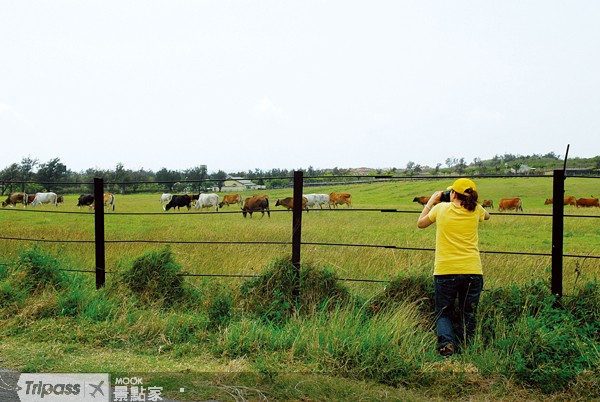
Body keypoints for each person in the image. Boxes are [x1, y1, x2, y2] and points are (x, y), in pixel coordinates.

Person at [417, 178, 490, 357]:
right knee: (469, 312)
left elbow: (421, 223)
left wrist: (433, 200)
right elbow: (488, 216)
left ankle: (447, 345)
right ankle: (467, 347)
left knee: (444, 312)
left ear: (453, 193)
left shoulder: (440, 209)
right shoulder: (476, 210)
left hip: (445, 270)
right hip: (473, 270)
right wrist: (473, 203)